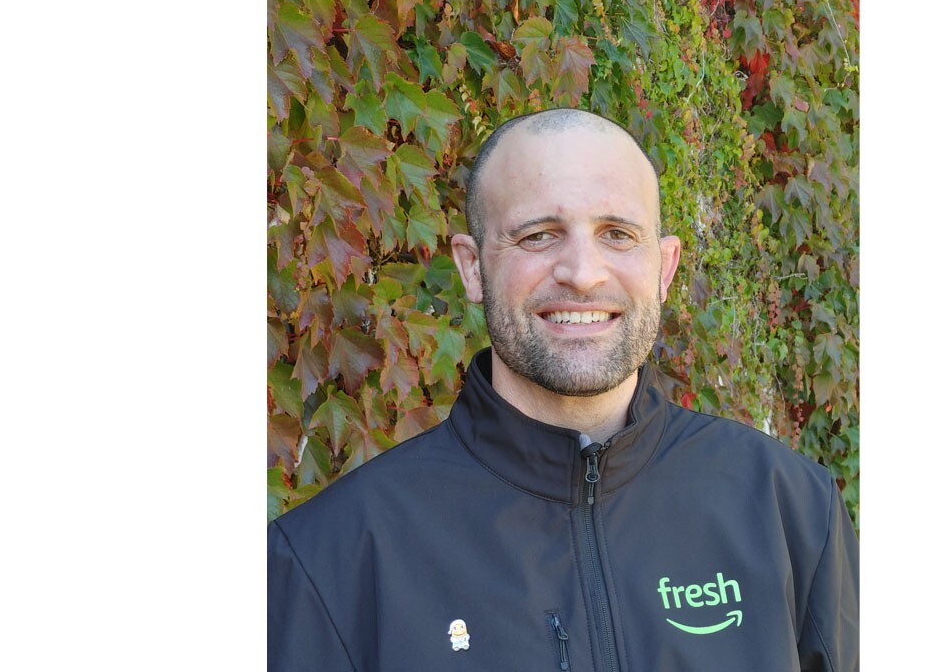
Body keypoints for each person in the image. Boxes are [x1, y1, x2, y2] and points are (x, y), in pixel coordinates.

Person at [267, 108, 859, 671]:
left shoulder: (792, 511)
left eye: (618, 234)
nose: (583, 271)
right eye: (539, 235)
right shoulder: (329, 560)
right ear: (472, 268)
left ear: (665, 267)